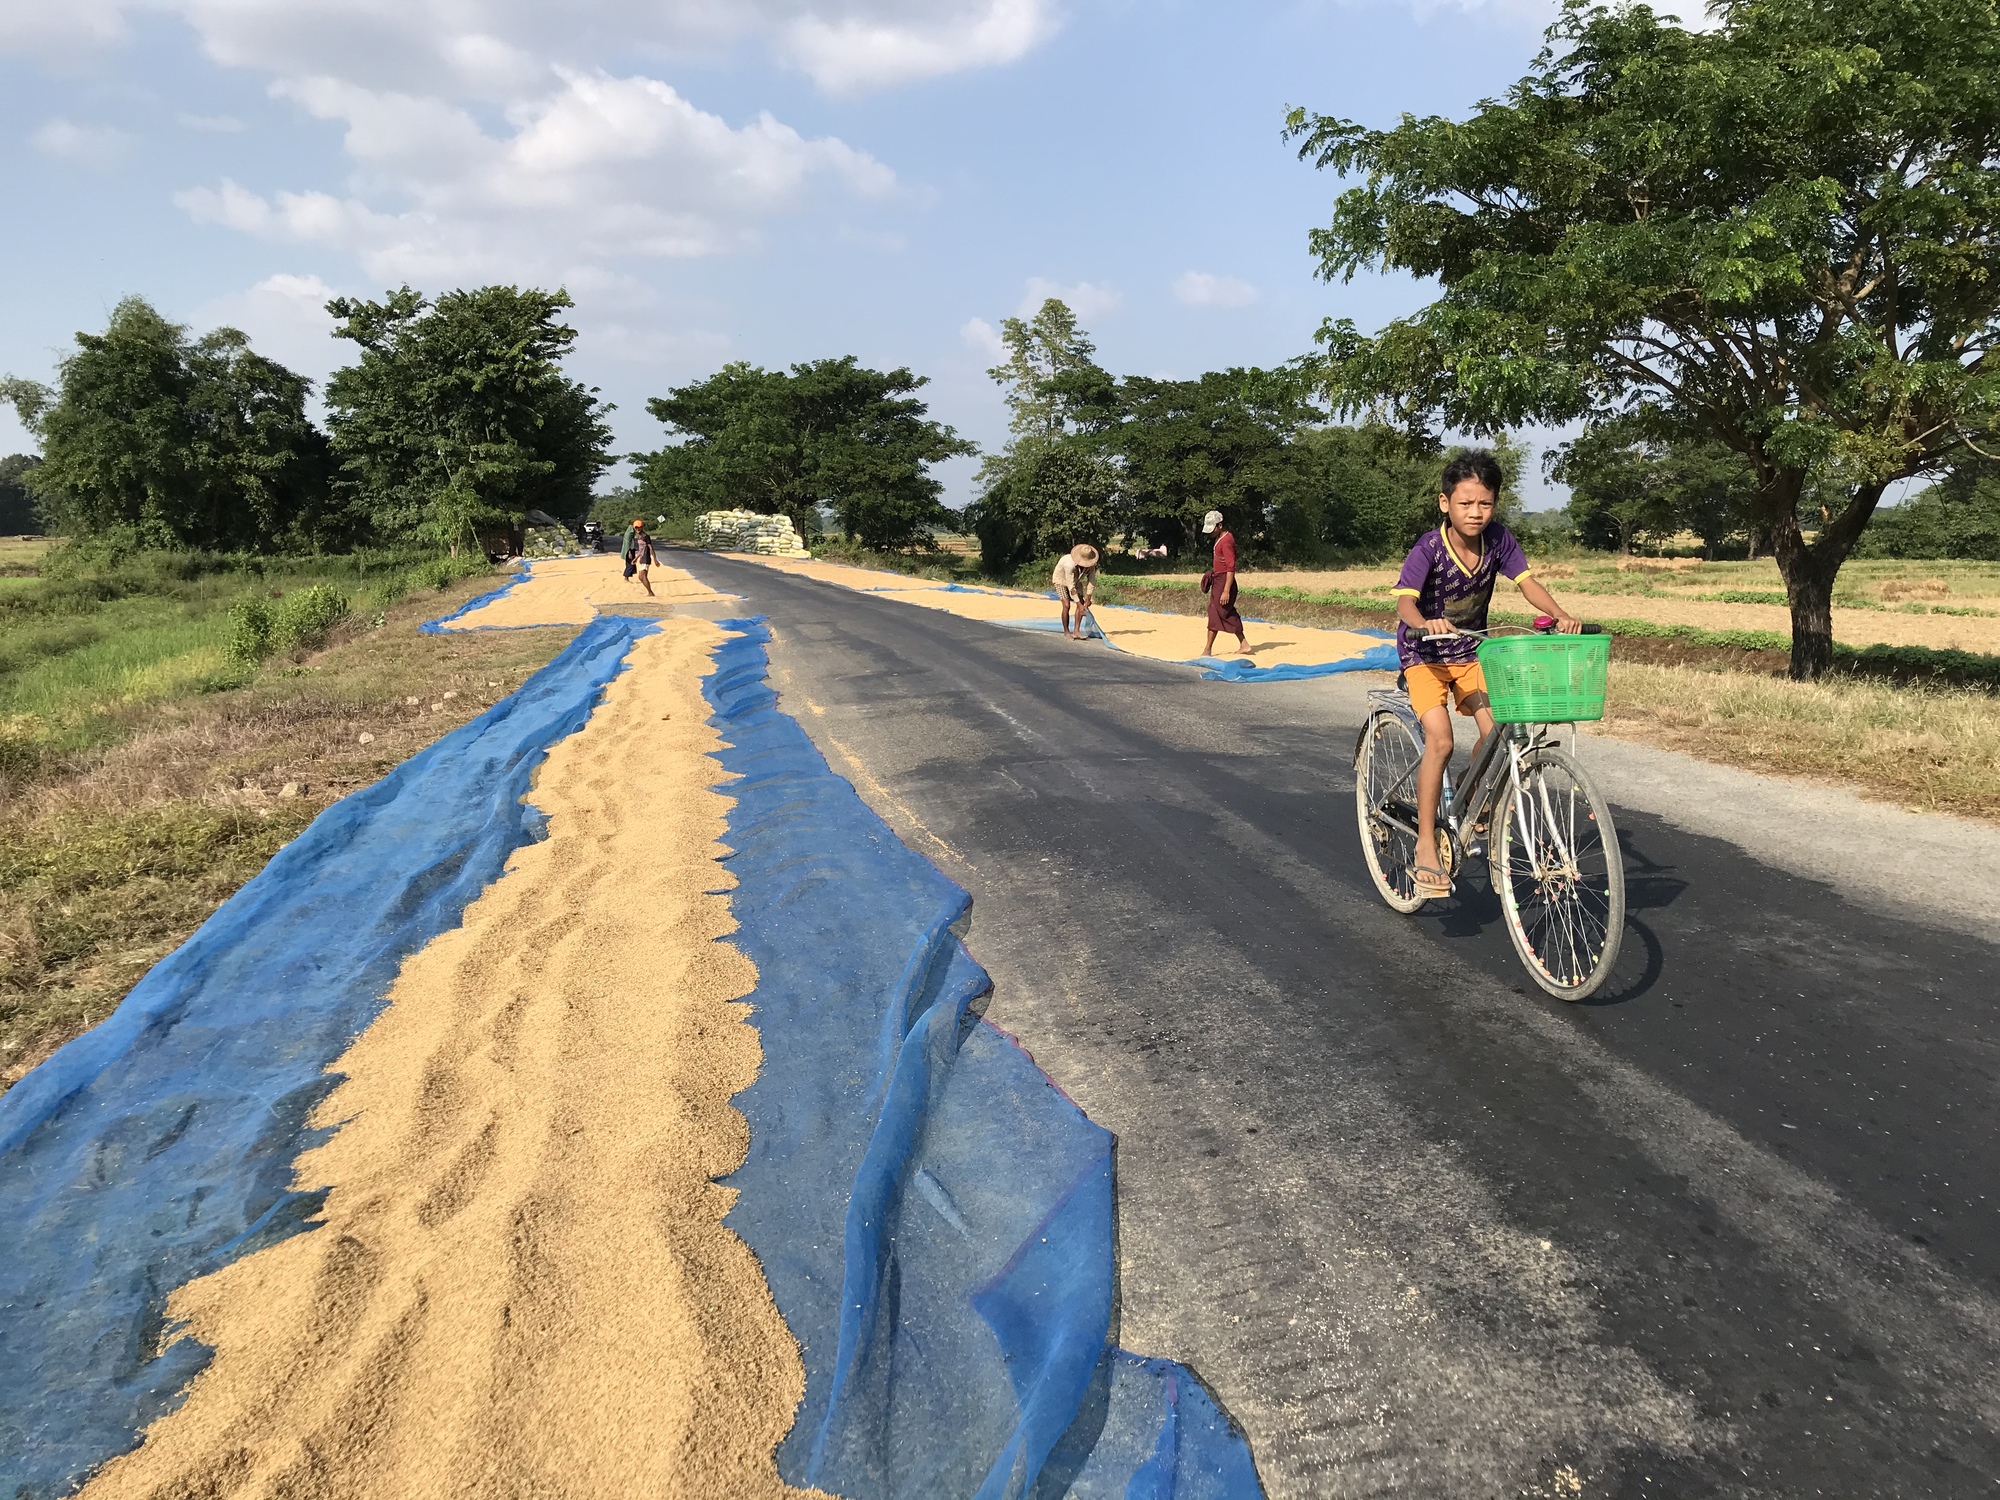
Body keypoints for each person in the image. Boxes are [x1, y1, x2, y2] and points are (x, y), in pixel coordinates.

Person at [1394, 449, 1581, 900]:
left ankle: (1469, 788)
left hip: (1472, 650)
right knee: (1441, 740)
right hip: (1424, 654)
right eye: (1465, 503)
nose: (1475, 512)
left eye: (1485, 503)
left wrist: (1560, 614)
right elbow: (1404, 602)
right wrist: (1424, 623)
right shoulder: (1429, 548)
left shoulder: (1499, 541)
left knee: (1500, 729)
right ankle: (1425, 842)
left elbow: (1527, 583)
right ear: (1445, 503)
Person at [1201, 510, 1246, 656]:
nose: (1210, 532)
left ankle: (1207, 649)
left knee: (1217, 611)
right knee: (1220, 612)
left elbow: (1231, 567)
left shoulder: (1226, 541)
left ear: (1220, 526)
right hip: (1219, 580)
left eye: (1212, 528)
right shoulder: (1220, 538)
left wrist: (1226, 590)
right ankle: (1243, 643)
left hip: (1224, 582)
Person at [1052, 544, 1100, 640]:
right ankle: (1066, 632)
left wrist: (1088, 597)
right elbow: (1071, 587)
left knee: (1082, 602)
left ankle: (1076, 631)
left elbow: (1091, 581)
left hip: (1076, 581)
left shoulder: (1091, 565)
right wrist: (1079, 604)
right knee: (1066, 605)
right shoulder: (1069, 565)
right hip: (1061, 580)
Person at [621, 517, 656, 598]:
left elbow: (651, 548)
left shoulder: (645, 536)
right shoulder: (639, 536)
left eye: (639, 527)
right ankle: (650, 592)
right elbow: (641, 549)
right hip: (641, 558)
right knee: (640, 577)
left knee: (643, 576)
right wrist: (636, 558)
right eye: (636, 527)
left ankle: (650, 592)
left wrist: (655, 559)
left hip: (646, 558)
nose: (637, 529)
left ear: (642, 527)